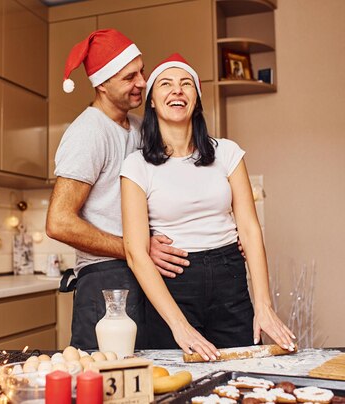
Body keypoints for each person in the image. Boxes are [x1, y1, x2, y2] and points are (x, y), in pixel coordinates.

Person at [120, 53, 296, 361]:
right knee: (177, 380)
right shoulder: (136, 166)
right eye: (166, 84)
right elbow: (135, 253)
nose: (177, 90)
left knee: (242, 377)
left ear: (196, 99)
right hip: (173, 283)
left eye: (186, 83)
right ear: (151, 101)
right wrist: (179, 325)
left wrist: (264, 306)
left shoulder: (228, 153)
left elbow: (250, 230)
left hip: (230, 278)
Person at [45, 30, 190, 351]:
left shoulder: (139, 126)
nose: (142, 81)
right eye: (129, 77)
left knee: (151, 376)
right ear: (101, 85)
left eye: (141, 70)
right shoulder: (88, 133)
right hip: (106, 278)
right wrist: (135, 248)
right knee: (107, 383)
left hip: (143, 269)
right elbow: (58, 222)